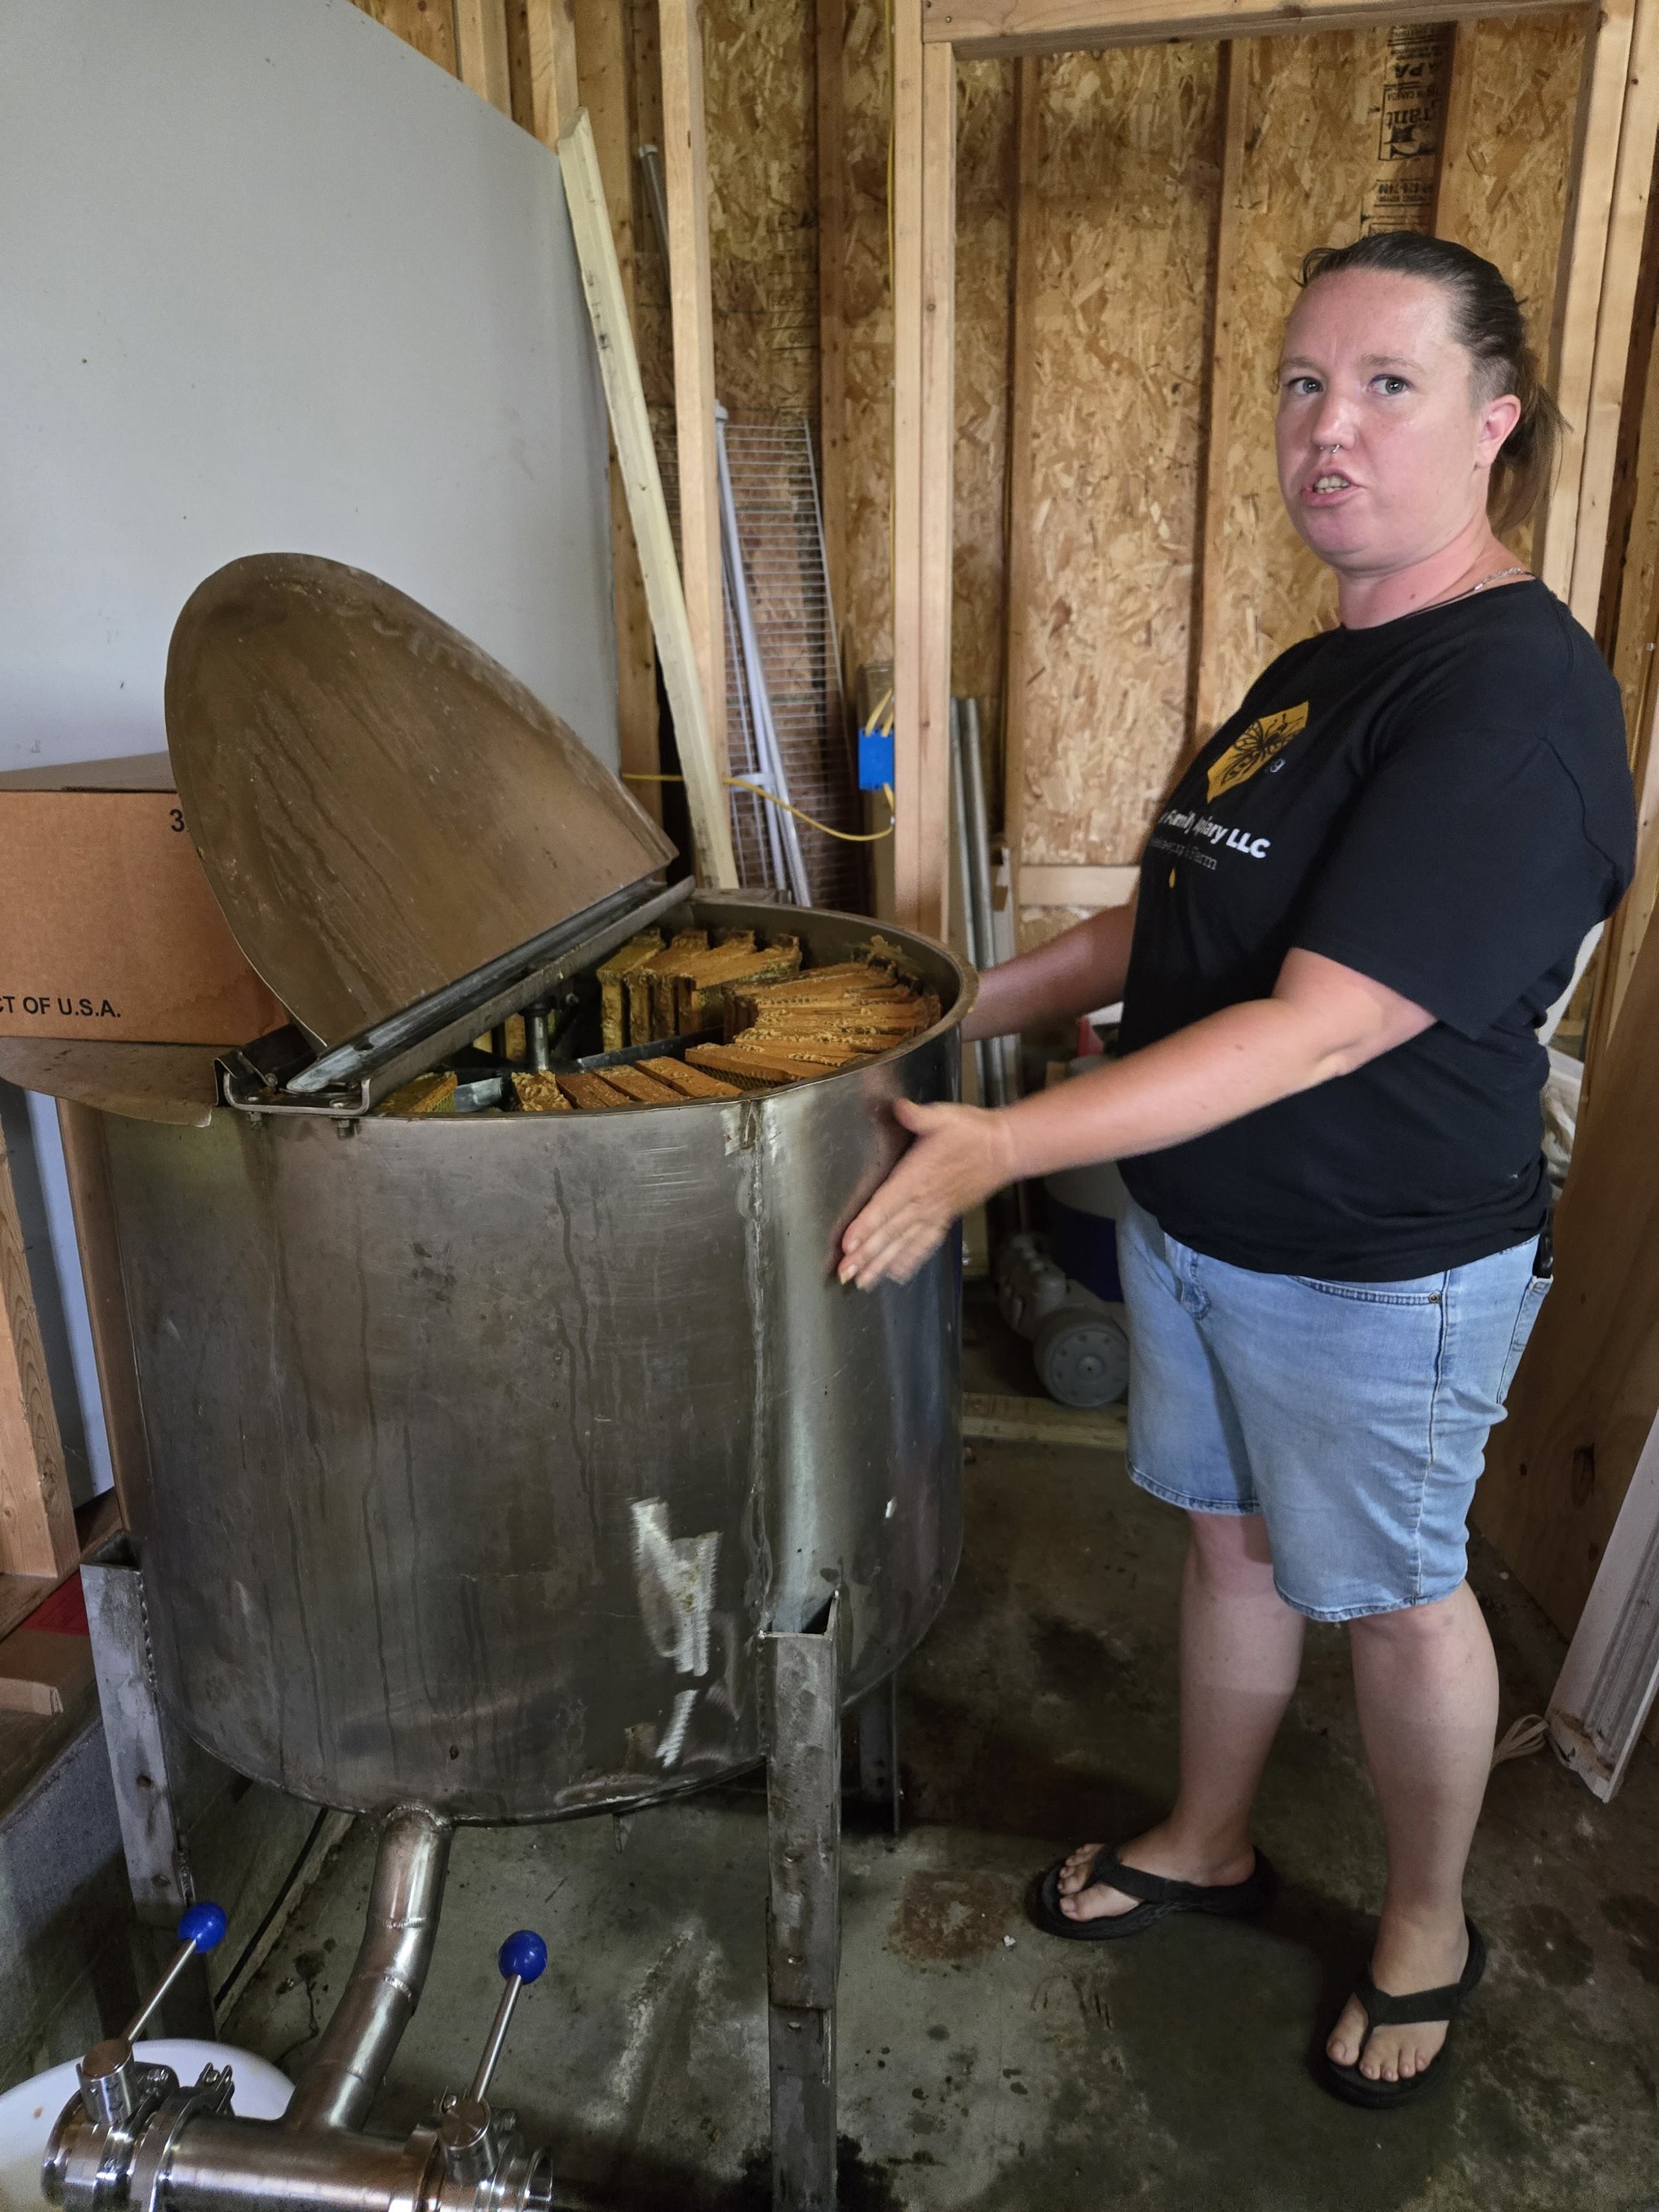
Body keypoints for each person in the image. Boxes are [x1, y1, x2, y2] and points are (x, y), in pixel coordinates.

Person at [839, 231, 1636, 2107]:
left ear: (1492, 422)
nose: (1324, 431)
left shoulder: (1511, 702)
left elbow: (1325, 1022)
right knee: (1228, 1544)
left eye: (1384, 386)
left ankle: (1427, 1923)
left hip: (1372, 1262)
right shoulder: (1317, 659)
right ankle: (1206, 1838)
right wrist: (942, 1006)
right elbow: (1168, 925)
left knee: (1393, 1593)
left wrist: (1003, 1146)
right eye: (1298, 384)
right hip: (1205, 1226)